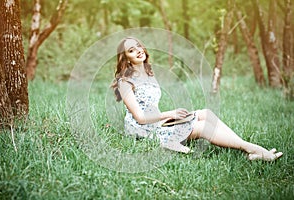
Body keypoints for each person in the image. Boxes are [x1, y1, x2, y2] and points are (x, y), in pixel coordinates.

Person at [111, 37, 283, 161]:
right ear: (126, 58)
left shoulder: (148, 74)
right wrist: (170, 114)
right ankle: (255, 150)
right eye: (131, 50)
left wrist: (170, 118)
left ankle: (248, 148)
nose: (138, 50)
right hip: (143, 131)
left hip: (155, 123)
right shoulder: (125, 82)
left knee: (206, 113)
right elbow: (140, 118)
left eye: (138, 46)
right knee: (201, 127)